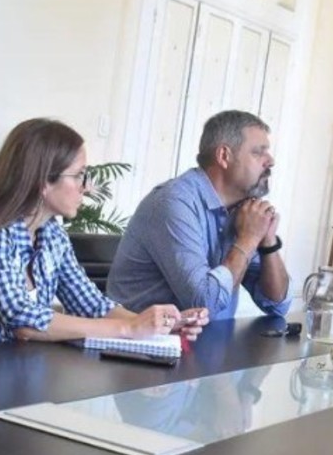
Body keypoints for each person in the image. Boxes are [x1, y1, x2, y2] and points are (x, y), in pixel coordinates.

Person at [0, 118, 209, 347]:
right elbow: (20, 320)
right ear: (43, 182)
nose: (87, 187)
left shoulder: (51, 235)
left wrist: (158, 325)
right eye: (79, 175)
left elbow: (91, 304)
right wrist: (129, 329)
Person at [107, 110, 291, 320]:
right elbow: (205, 304)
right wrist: (248, 239)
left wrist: (268, 243)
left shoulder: (245, 212)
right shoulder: (173, 204)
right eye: (259, 152)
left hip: (205, 343)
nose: (271, 161)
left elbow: (278, 305)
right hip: (143, 345)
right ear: (224, 156)